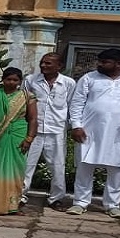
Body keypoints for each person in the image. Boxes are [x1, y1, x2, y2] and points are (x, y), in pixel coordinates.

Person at [68, 48, 120, 218]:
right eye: (99, 61)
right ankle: (80, 203)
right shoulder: (89, 78)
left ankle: (112, 205)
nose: (100, 64)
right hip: (89, 131)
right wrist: (76, 125)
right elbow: (77, 103)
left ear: (119, 64)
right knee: (84, 167)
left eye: (105, 62)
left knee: (117, 169)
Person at [0, 67, 38, 215]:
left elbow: (33, 119)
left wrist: (29, 139)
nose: (11, 82)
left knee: (16, 171)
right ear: (3, 80)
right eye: (8, 79)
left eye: (15, 80)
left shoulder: (27, 96)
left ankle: (12, 206)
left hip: (18, 136)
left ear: (20, 81)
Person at [22, 53, 75, 209]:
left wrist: (73, 126)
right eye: (42, 62)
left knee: (58, 166)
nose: (43, 66)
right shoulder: (31, 80)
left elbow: (72, 106)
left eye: (48, 63)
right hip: (33, 130)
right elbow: (23, 102)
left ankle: (56, 198)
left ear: (59, 66)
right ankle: (19, 195)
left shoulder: (68, 83)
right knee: (26, 165)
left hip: (57, 130)